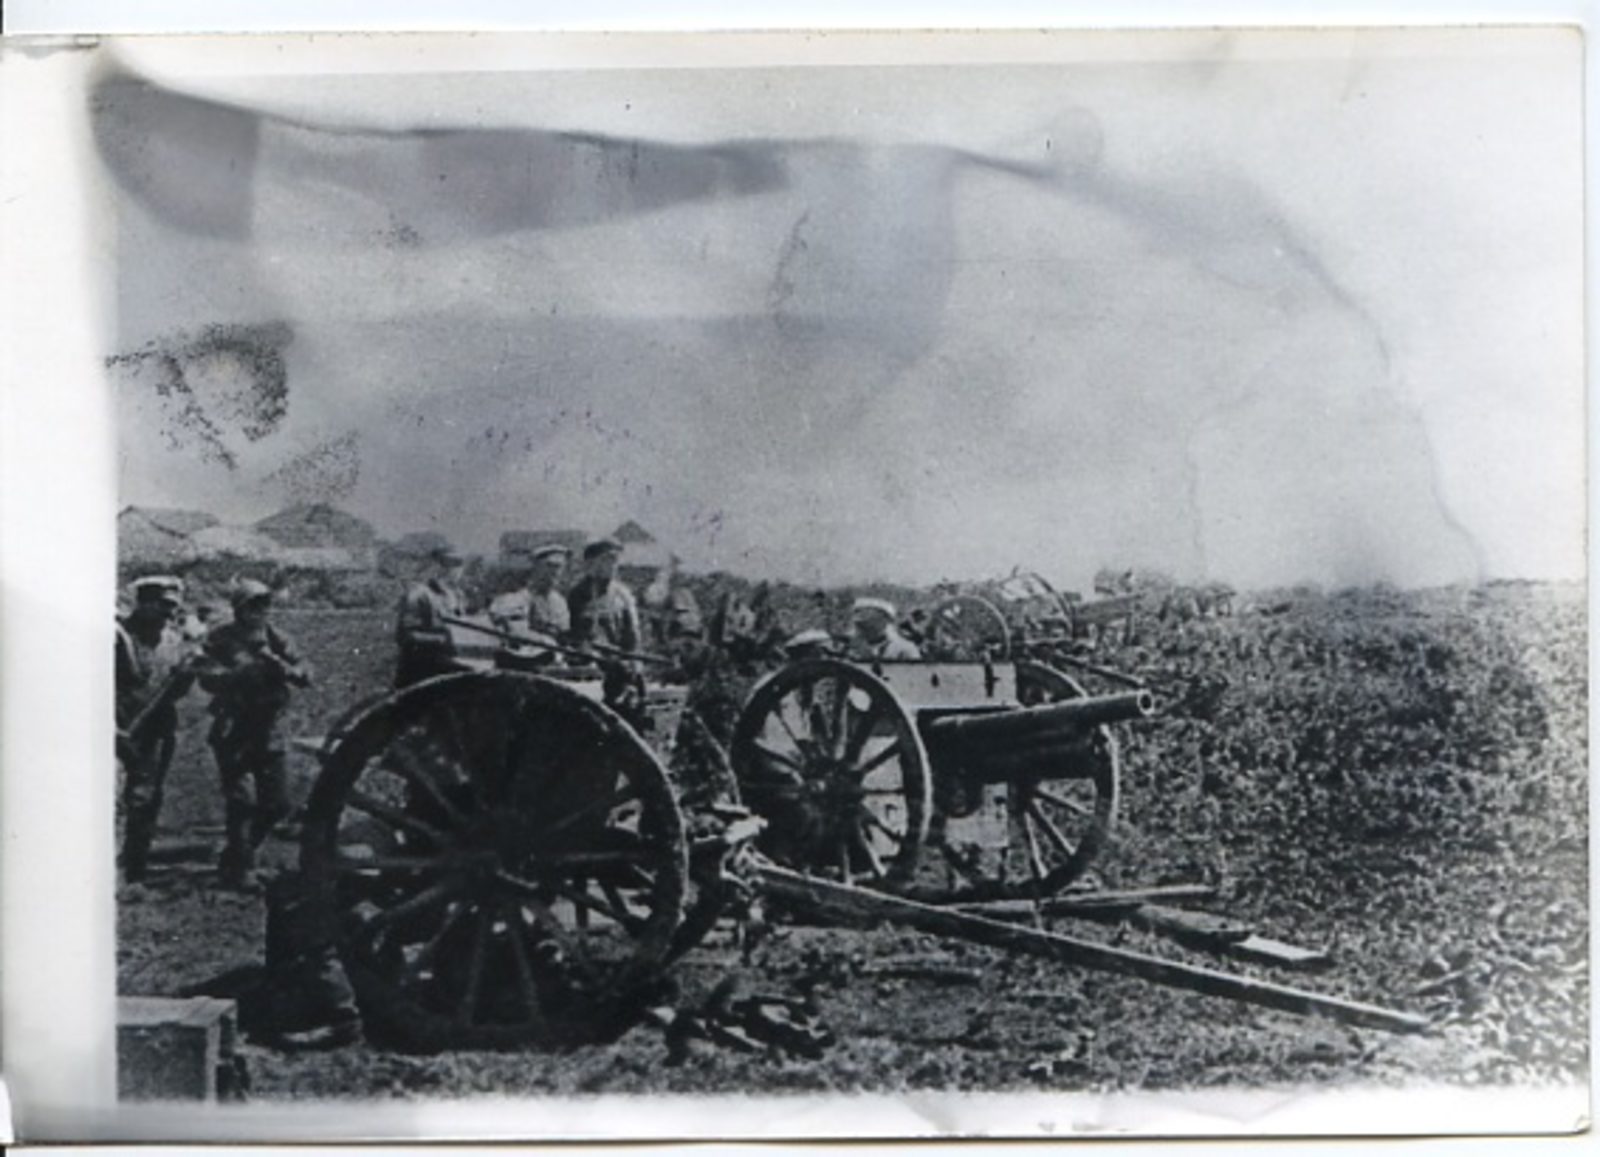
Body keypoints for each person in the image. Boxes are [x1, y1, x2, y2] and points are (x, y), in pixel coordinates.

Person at [198, 580, 311, 892]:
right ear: (238, 608)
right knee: (242, 801)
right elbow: (205, 677)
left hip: (269, 729)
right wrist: (239, 674)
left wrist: (285, 669)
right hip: (234, 728)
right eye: (253, 605)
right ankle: (243, 869)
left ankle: (235, 856)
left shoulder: (277, 638)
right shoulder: (220, 638)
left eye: (264, 604)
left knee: (278, 804)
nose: (260, 611)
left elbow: (305, 672)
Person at [115, 575, 198, 885]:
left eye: (172, 607)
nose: (168, 613)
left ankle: (133, 869)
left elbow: (174, 692)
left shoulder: (173, 641)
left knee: (146, 798)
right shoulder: (118, 637)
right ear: (144, 603)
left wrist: (186, 676)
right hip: (116, 730)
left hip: (155, 732)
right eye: (162, 606)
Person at [568, 537, 645, 721]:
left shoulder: (623, 596)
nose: (612, 565)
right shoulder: (577, 594)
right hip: (588, 669)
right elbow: (571, 633)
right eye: (607, 559)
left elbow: (633, 637)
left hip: (618, 670)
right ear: (591, 563)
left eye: (615, 560)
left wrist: (633, 663)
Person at [394, 543, 468, 688]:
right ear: (435, 565)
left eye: (459, 564)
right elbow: (406, 635)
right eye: (447, 563)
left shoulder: (459, 596)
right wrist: (443, 639)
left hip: (451, 666)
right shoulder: (418, 595)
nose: (453, 570)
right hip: (421, 672)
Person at [850, 597, 922, 661]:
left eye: (867, 616)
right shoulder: (851, 649)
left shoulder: (904, 649)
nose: (862, 626)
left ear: (885, 619)